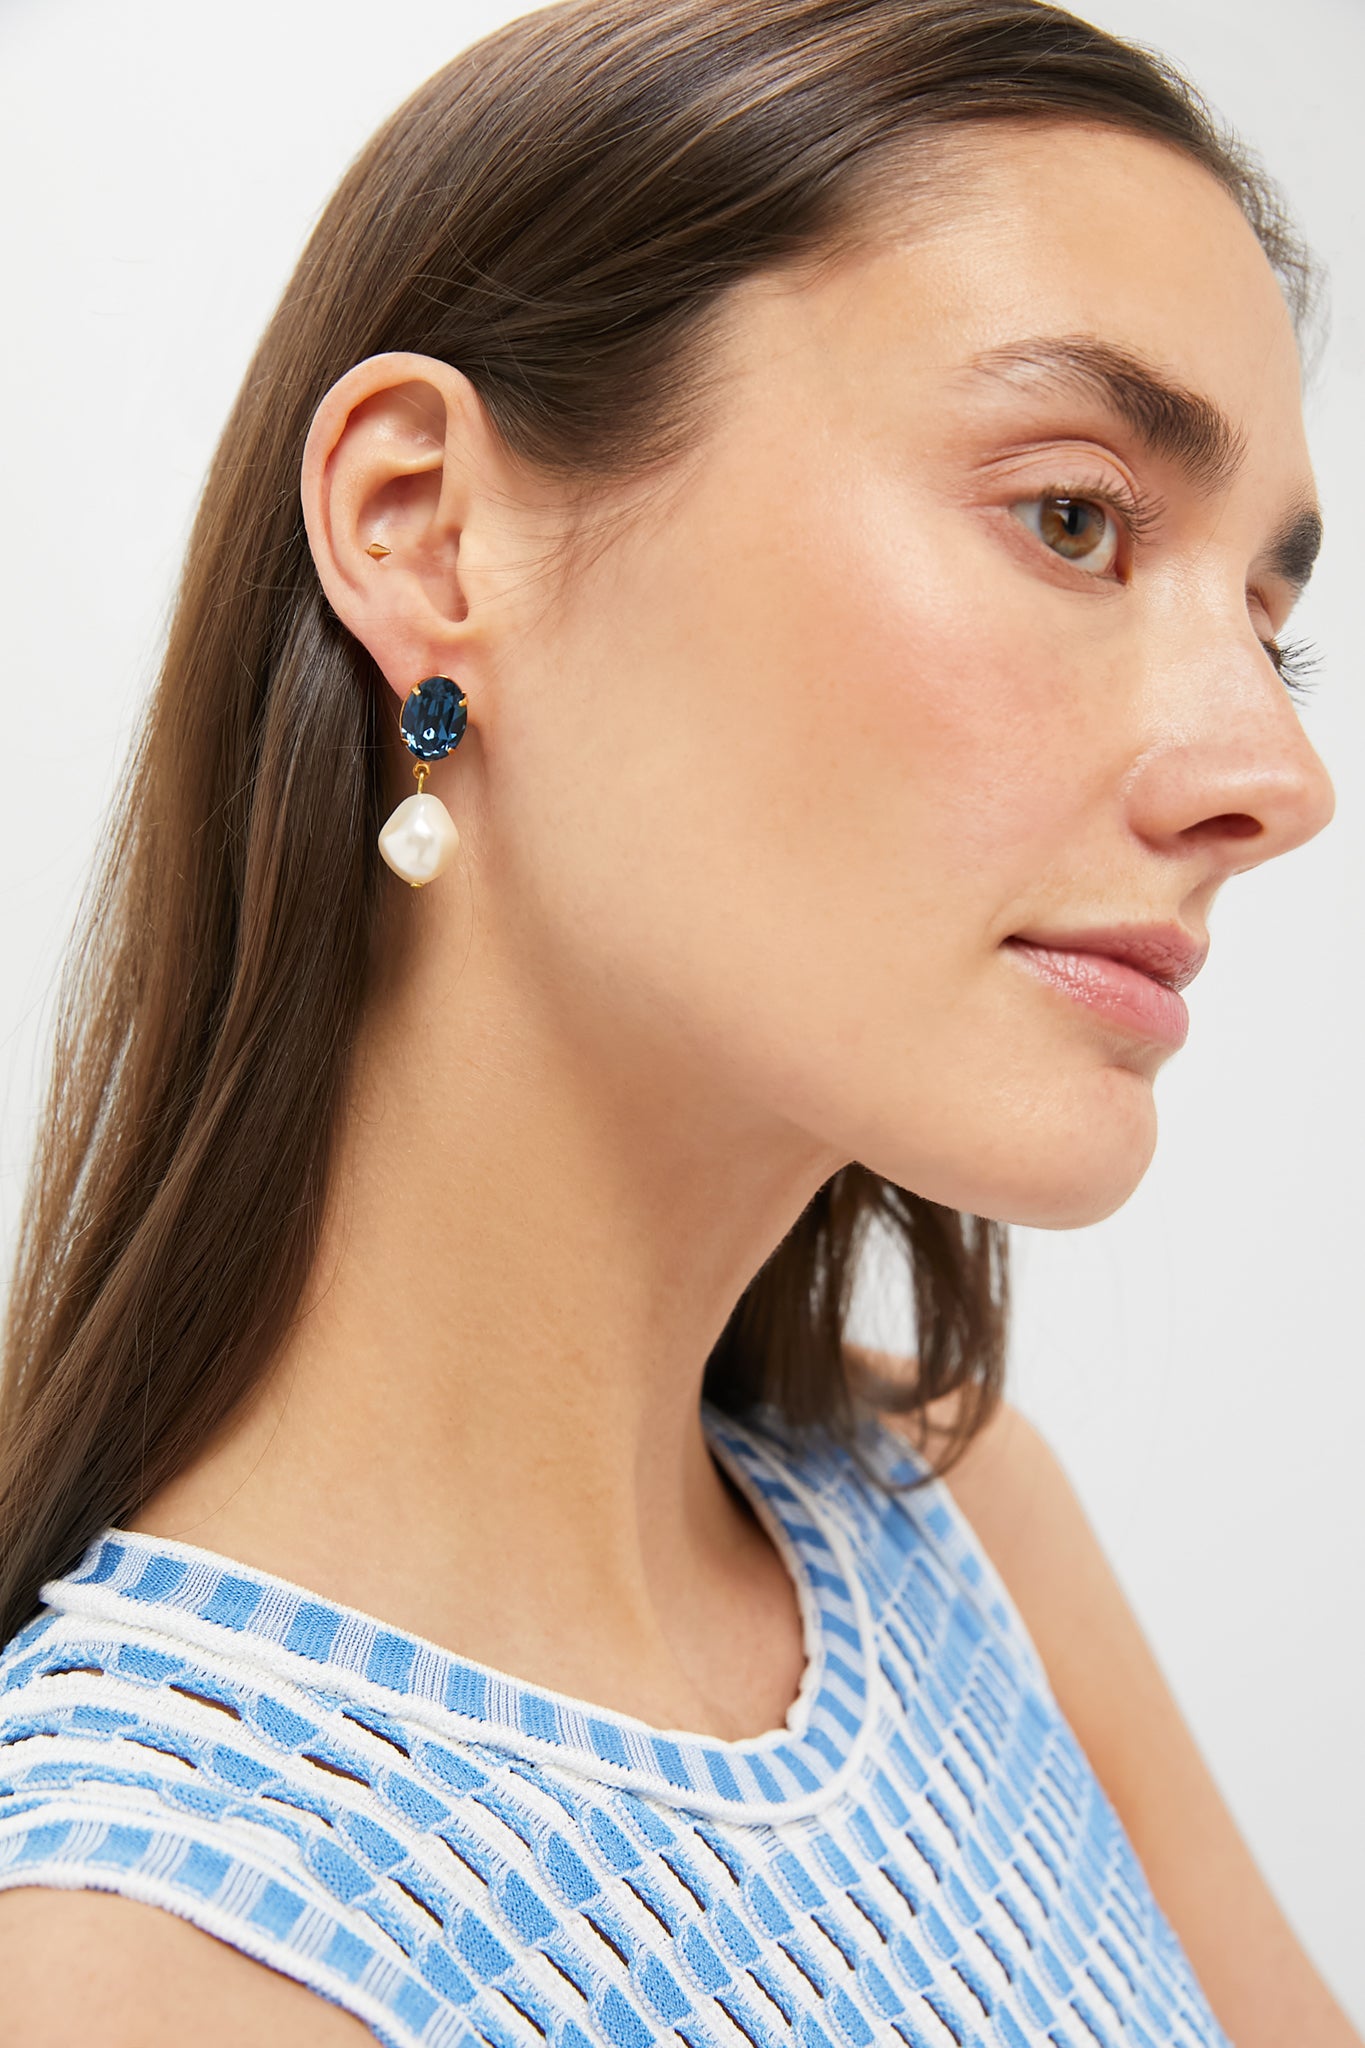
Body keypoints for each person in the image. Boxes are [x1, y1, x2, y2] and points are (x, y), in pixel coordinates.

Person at [0, 0, 1358, 2041]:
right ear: (427, 531)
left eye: (1265, 620)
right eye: (1072, 518)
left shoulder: (945, 1515)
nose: (1273, 773)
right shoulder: (146, 1963)